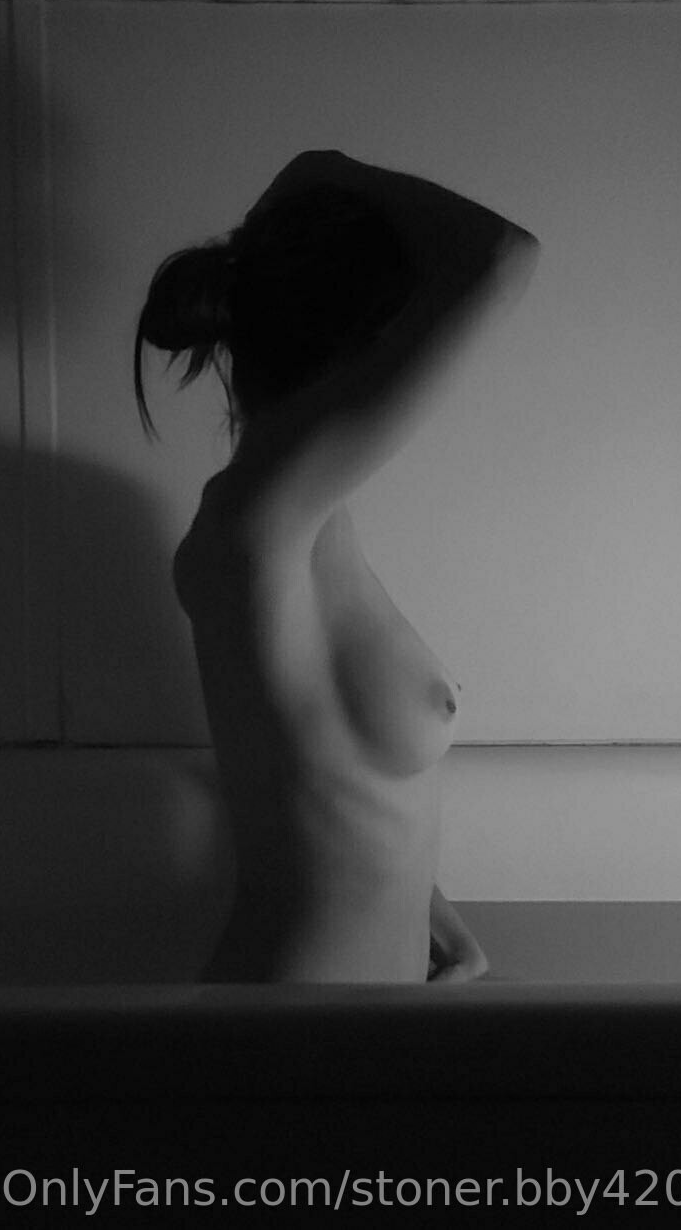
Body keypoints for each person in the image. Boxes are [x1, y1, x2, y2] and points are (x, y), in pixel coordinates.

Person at [135, 149, 539, 982]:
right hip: (291, 1024)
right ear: (366, 346)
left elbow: (323, 791)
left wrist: (428, 913)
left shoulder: (306, 525)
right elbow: (500, 257)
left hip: (360, 1018)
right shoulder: (259, 523)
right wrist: (316, 166)